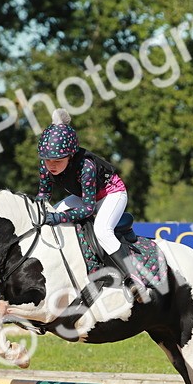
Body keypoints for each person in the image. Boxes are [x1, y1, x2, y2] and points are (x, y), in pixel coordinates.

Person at [37, 108, 147, 301]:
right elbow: (43, 197)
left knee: (102, 230)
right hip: (84, 195)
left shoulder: (86, 166)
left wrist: (58, 218)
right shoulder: (46, 166)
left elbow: (88, 209)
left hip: (111, 194)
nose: (51, 165)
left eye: (57, 160)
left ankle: (133, 278)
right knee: (53, 214)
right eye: (47, 160)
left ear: (70, 155)